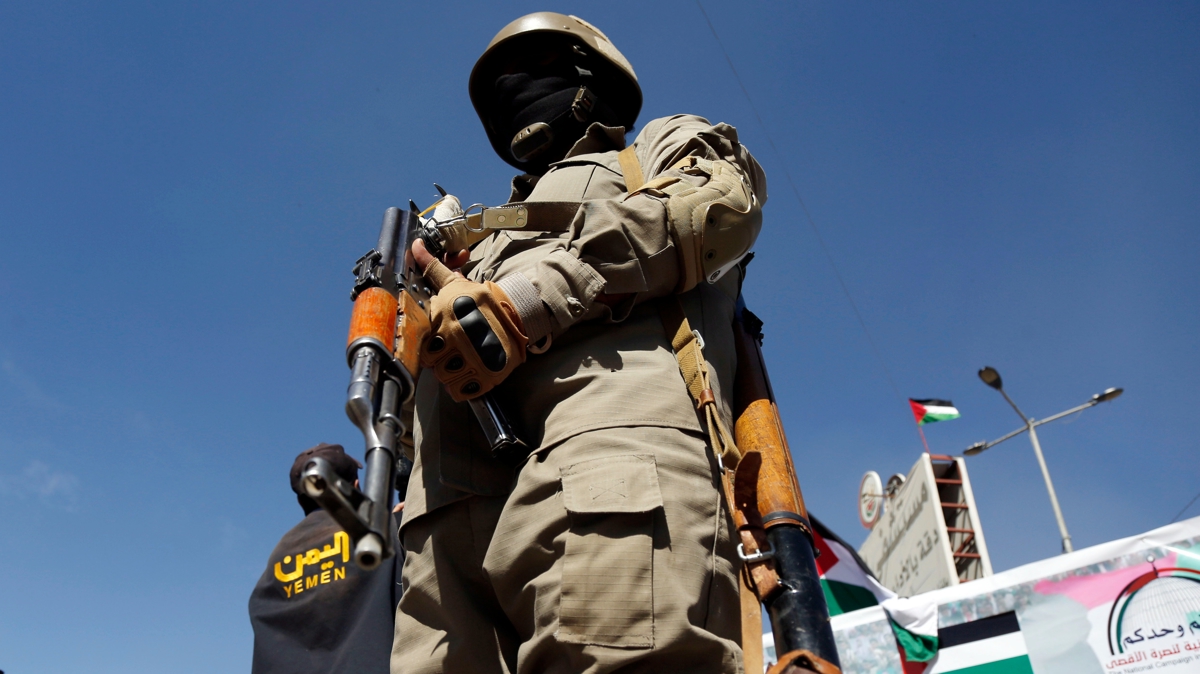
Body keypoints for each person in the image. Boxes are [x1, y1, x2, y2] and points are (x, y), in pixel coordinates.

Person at [393, 12, 768, 674]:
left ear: (594, 74)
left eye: (532, 64)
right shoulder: (479, 236)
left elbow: (717, 205)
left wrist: (529, 298)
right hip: (445, 532)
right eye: (497, 85)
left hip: (606, 457)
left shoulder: (650, 150)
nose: (511, 88)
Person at [249, 443, 403, 674]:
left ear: (301, 500)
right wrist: (408, 522)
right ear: (355, 486)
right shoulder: (384, 532)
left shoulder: (276, 561)